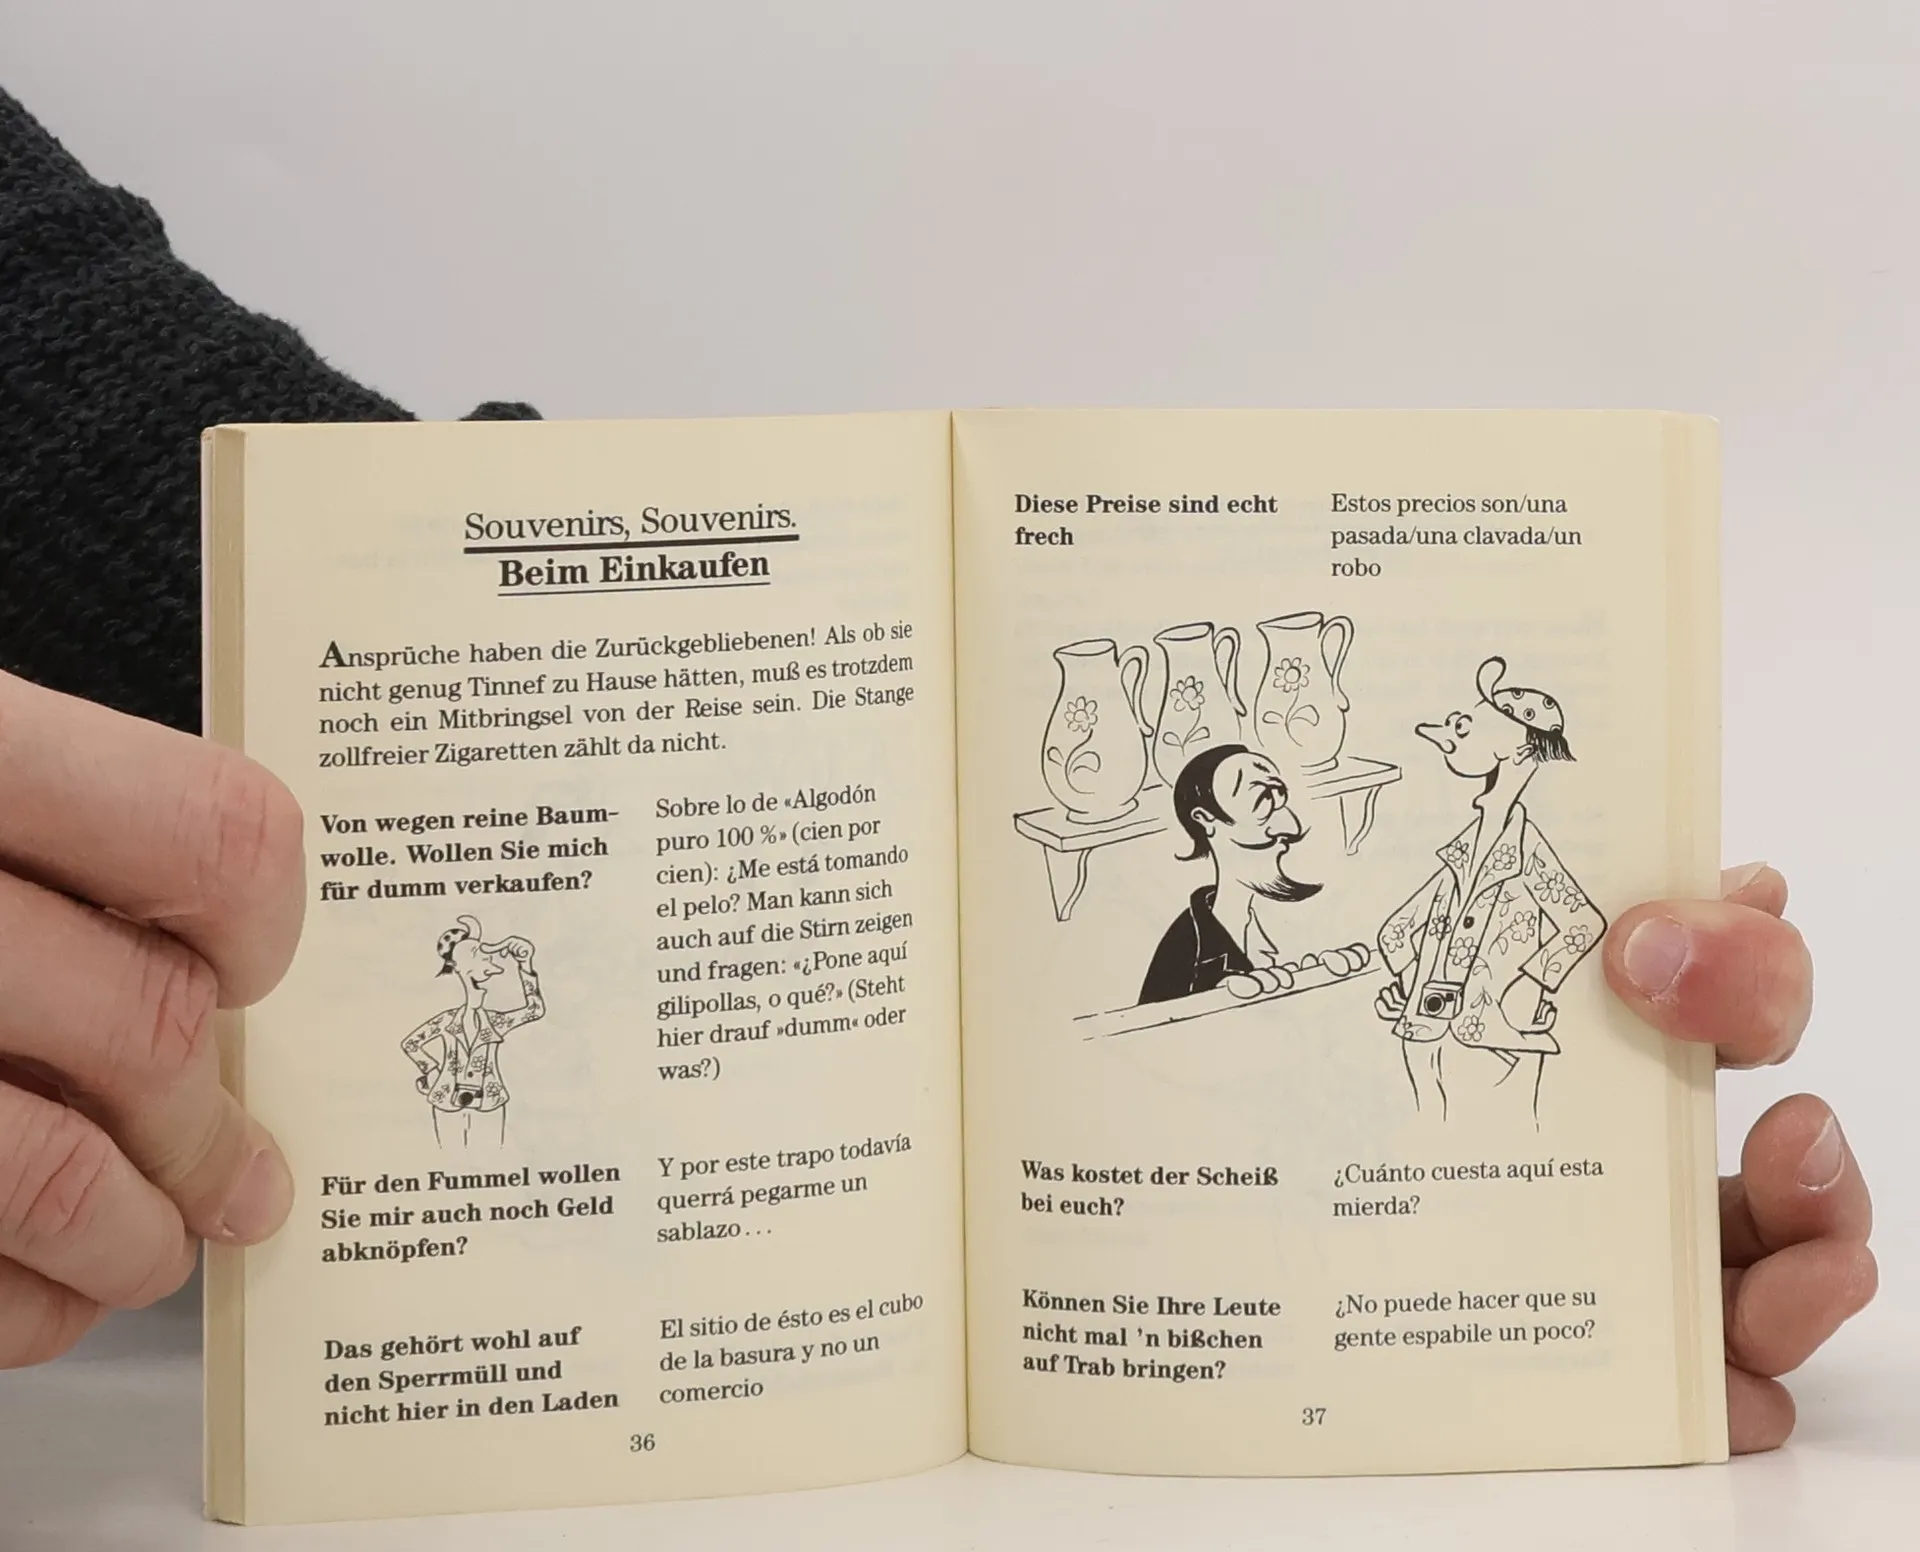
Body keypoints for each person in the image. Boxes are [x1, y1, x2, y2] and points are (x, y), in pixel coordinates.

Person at [0, 89, 1874, 1452]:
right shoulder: (1191, 944)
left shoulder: (1346, 909)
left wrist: (1540, 1210)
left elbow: (79, 379)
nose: (1299, 806)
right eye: (1260, 795)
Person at [1376, 657, 1606, 1121]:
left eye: (1476, 727)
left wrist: (1530, 985)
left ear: (1519, 752)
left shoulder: (1527, 851)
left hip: (1495, 1042)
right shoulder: (1462, 849)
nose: (1458, 733)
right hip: (1423, 1037)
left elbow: (1583, 924)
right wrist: (1407, 983)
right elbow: (1395, 931)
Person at [1139, 744, 1324, 1003]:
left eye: (1280, 796)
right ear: (1206, 819)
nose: (1291, 827)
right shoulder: (1186, 948)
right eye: (1261, 803)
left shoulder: (1280, 928)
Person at [402, 918, 546, 1149]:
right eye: (478, 956)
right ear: (457, 965)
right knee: (447, 1156)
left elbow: (534, 1010)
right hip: (446, 1101)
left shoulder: (495, 1021)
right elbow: (411, 1044)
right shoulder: (447, 1020)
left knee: (492, 1156)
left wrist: (525, 965)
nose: (488, 963)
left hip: (489, 1101)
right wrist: (432, 1071)